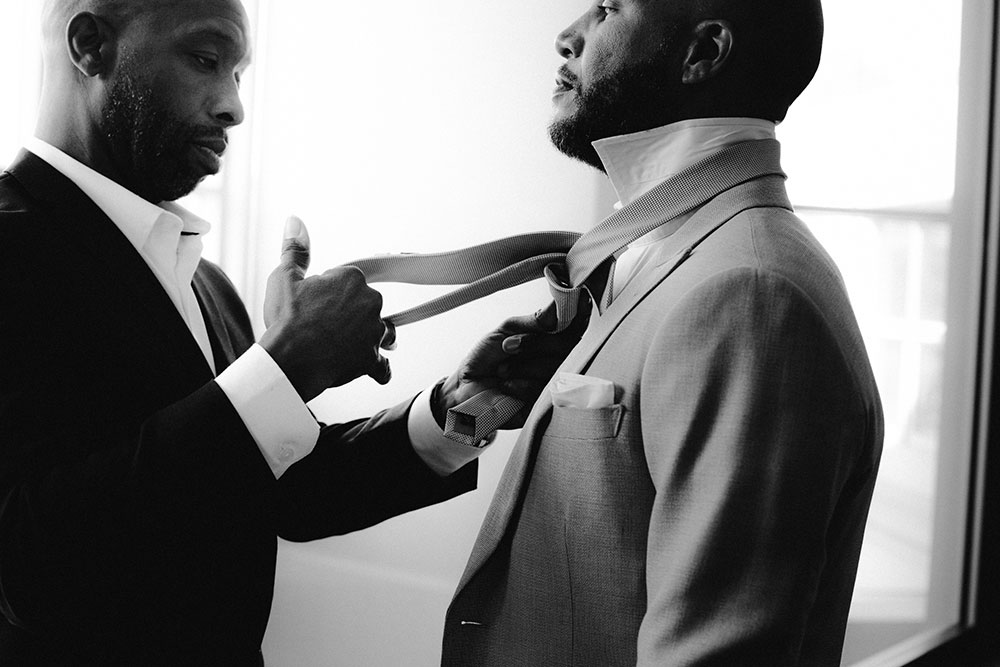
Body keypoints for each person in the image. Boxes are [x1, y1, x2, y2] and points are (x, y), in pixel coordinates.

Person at [0, 0, 583, 663]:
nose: (233, 106)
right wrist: (287, 366)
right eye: (205, 59)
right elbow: (29, 568)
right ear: (90, 45)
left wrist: (459, 404)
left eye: (240, 73)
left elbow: (281, 492)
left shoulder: (206, 283)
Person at [440, 0, 884, 665]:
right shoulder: (672, 253)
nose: (568, 37)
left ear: (703, 53)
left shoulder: (751, 293)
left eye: (608, 9)